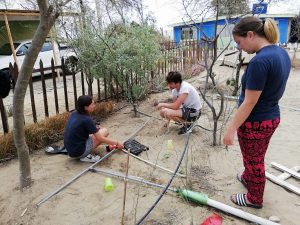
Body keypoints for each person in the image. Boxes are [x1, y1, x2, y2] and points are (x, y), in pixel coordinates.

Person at [223, 16, 291, 208]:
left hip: (256, 121)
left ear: (250, 35)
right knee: (255, 156)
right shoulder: (281, 53)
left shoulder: (259, 62)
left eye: (239, 42)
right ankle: (247, 178)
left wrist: (230, 130)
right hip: (271, 116)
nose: (240, 47)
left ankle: (254, 198)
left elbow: (249, 103)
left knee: (254, 161)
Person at [64, 95, 124, 163]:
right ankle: (85, 156)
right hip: (79, 152)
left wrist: (93, 127)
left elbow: (79, 128)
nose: (94, 106)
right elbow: (100, 138)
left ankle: (83, 153)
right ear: (86, 107)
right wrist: (117, 143)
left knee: (98, 132)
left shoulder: (73, 113)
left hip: (70, 150)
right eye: (92, 104)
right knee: (104, 131)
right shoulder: (87, 119)